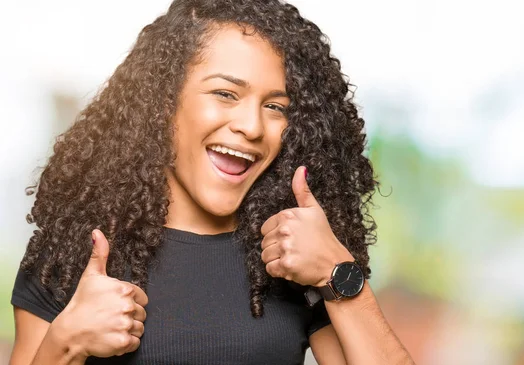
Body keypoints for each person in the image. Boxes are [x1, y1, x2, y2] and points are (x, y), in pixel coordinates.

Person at [9, 0, 414, 364]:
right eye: (225, 93)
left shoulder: (292, 258)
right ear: (163, 102)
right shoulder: (73, 251)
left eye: (275, 107)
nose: (252, 126)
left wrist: (337, 271)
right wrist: (66, 342)